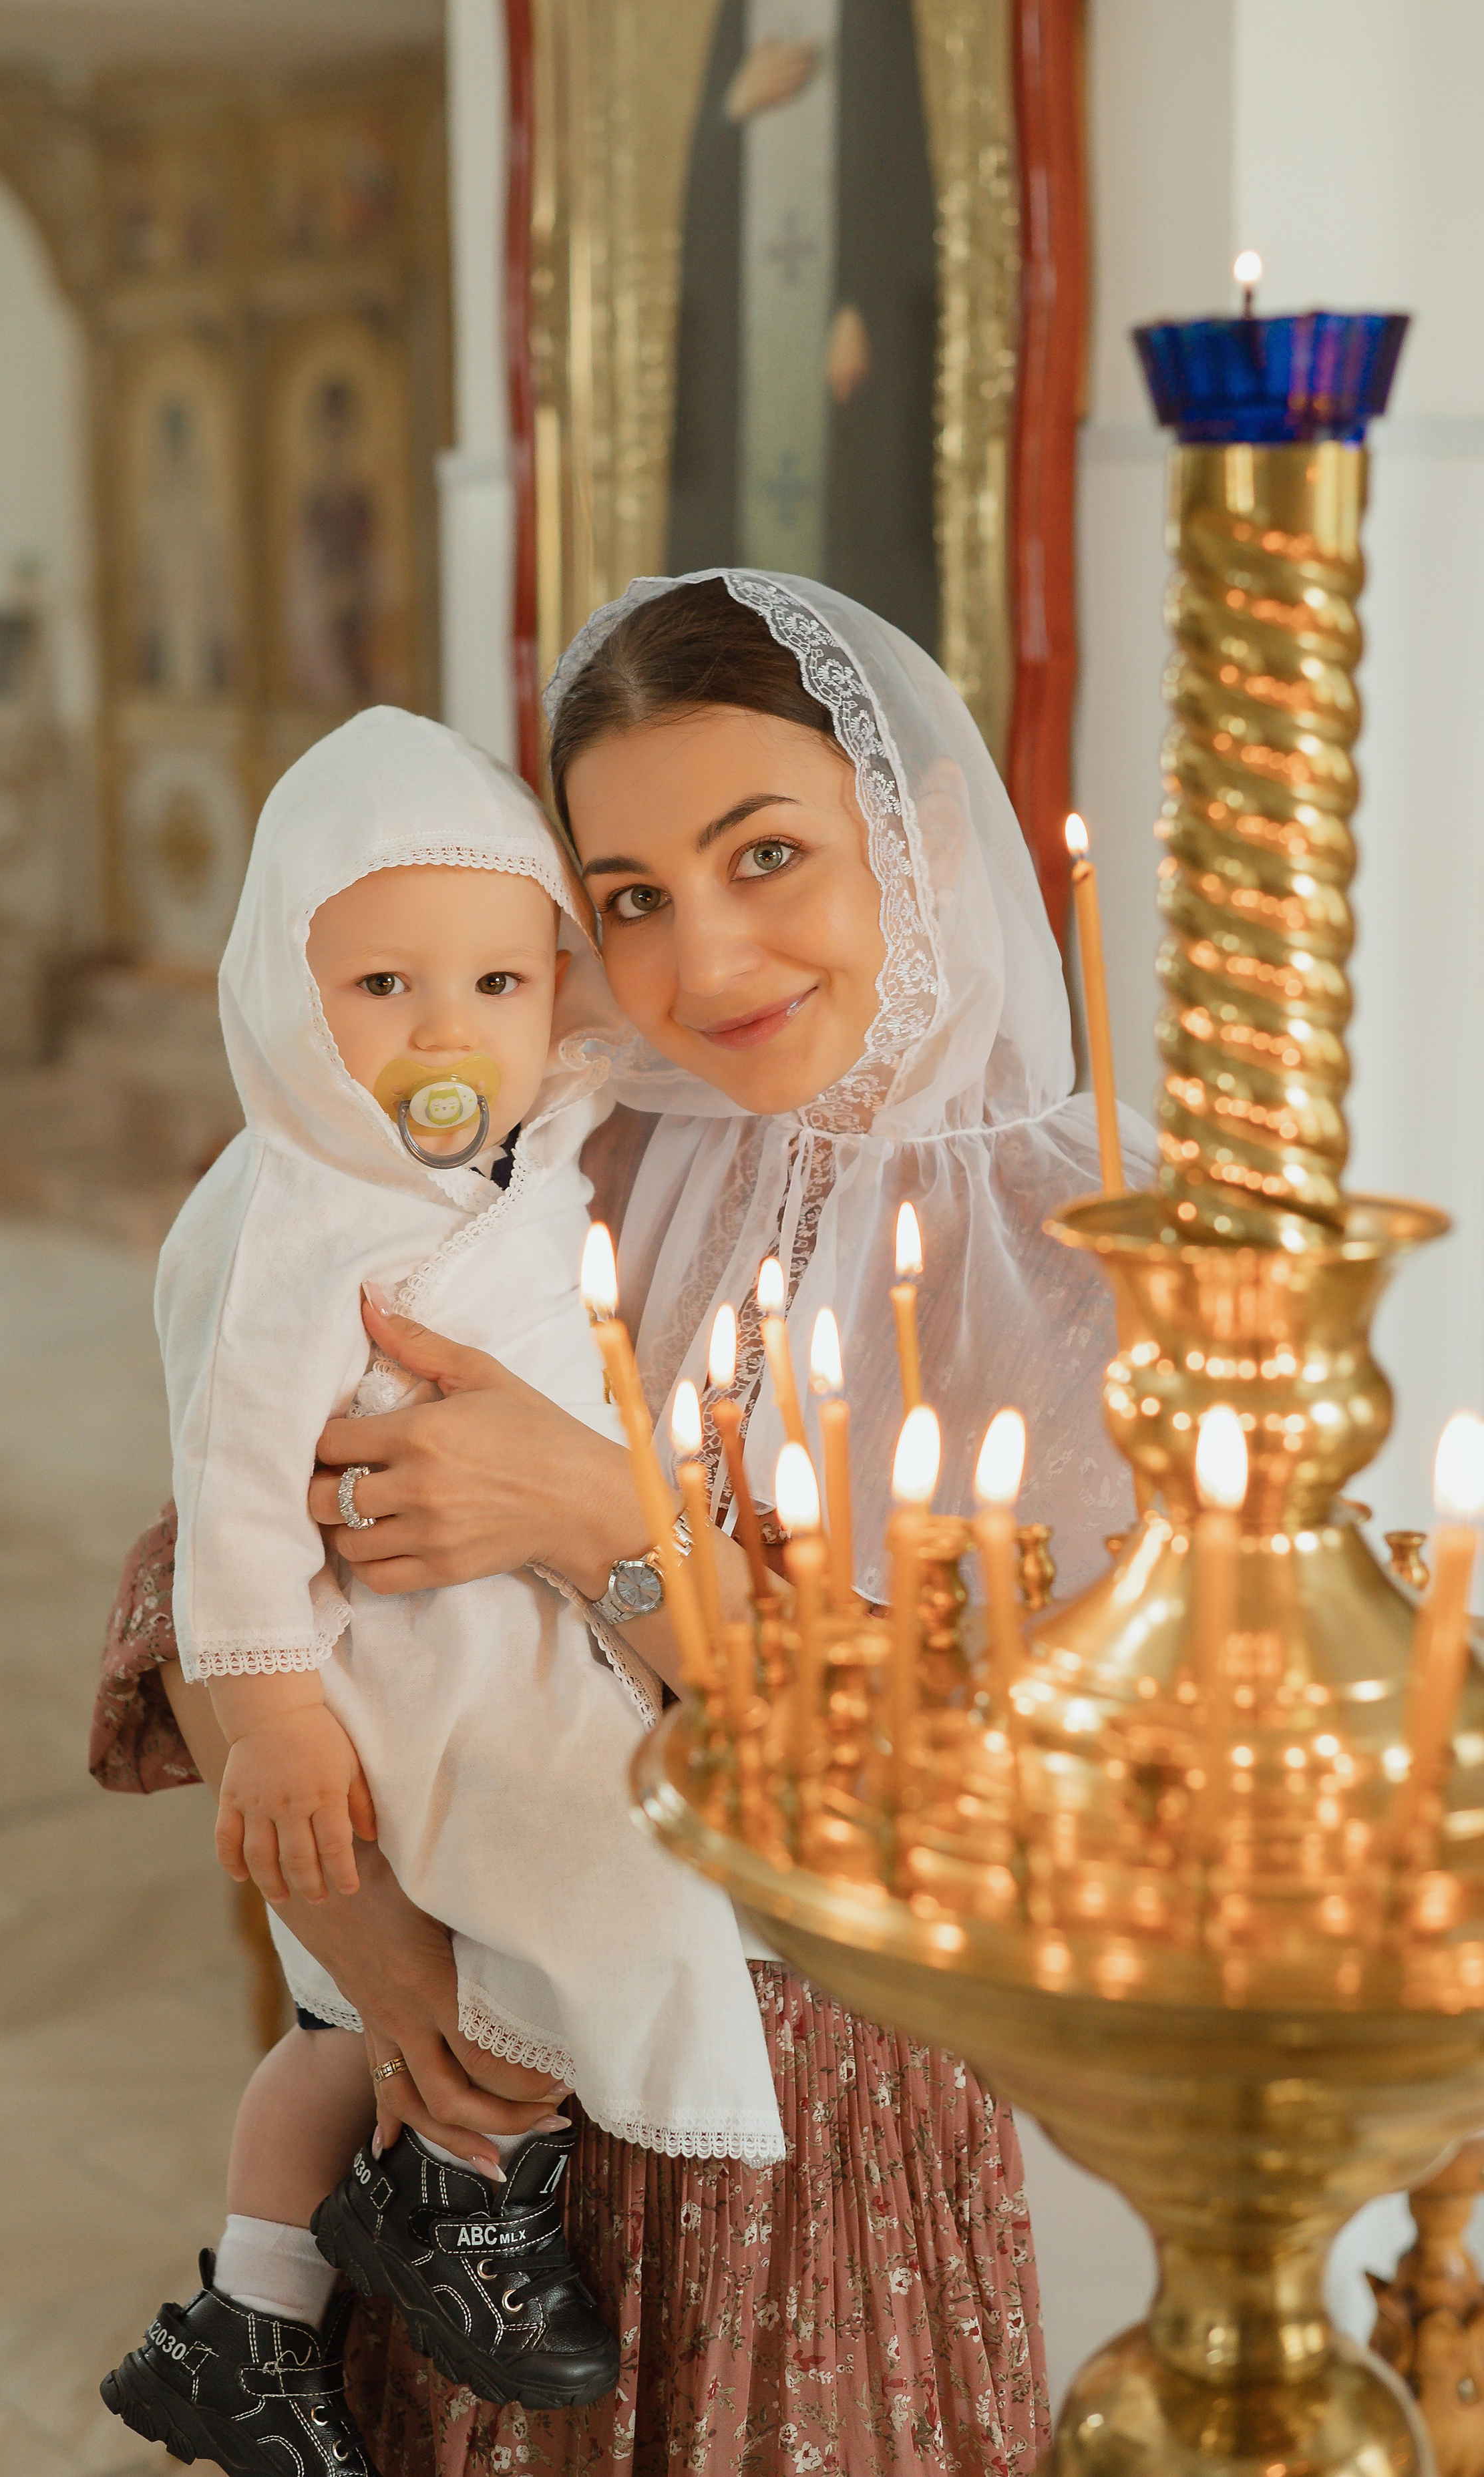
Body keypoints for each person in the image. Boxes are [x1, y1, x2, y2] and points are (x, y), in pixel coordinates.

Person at [94, 571, 1153, 2473]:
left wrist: (606, 1521)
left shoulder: (1079, 1268)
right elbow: (219, 1592)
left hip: (822, 2120)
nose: (703, 959)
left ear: (907, 840)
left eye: (768, 854)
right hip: (494, 2094)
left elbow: (966, 1819)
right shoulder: (538, 1155)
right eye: (632, 901)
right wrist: (397, 1980)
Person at [98, 705, 781, 2477]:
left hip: (520, 1607)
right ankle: (465, 2203)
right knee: (575, 1886)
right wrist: (266, 1719)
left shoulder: (531, 1145)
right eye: (380, 988)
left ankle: (259, 2313)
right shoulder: (289, 1214)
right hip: (378, 1649)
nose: (446, 1031)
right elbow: (236, 1492)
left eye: (493, 982)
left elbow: (631, 1041)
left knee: (368, 2015)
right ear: (282, 996)